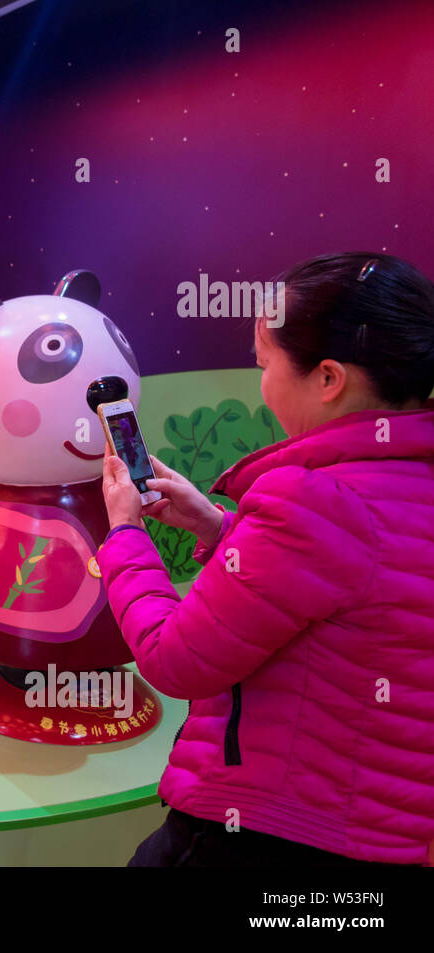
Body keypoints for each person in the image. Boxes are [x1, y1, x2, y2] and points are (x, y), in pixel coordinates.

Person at [97, 252, 434, 866]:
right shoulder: (402, 483)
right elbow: (348, 593)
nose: (262, 380)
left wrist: (123, 533)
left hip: (268, 831)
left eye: (265, 362)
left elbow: (175, 661)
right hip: (379, 834)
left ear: (328, 379)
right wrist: (217, 525)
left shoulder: (313, 498)